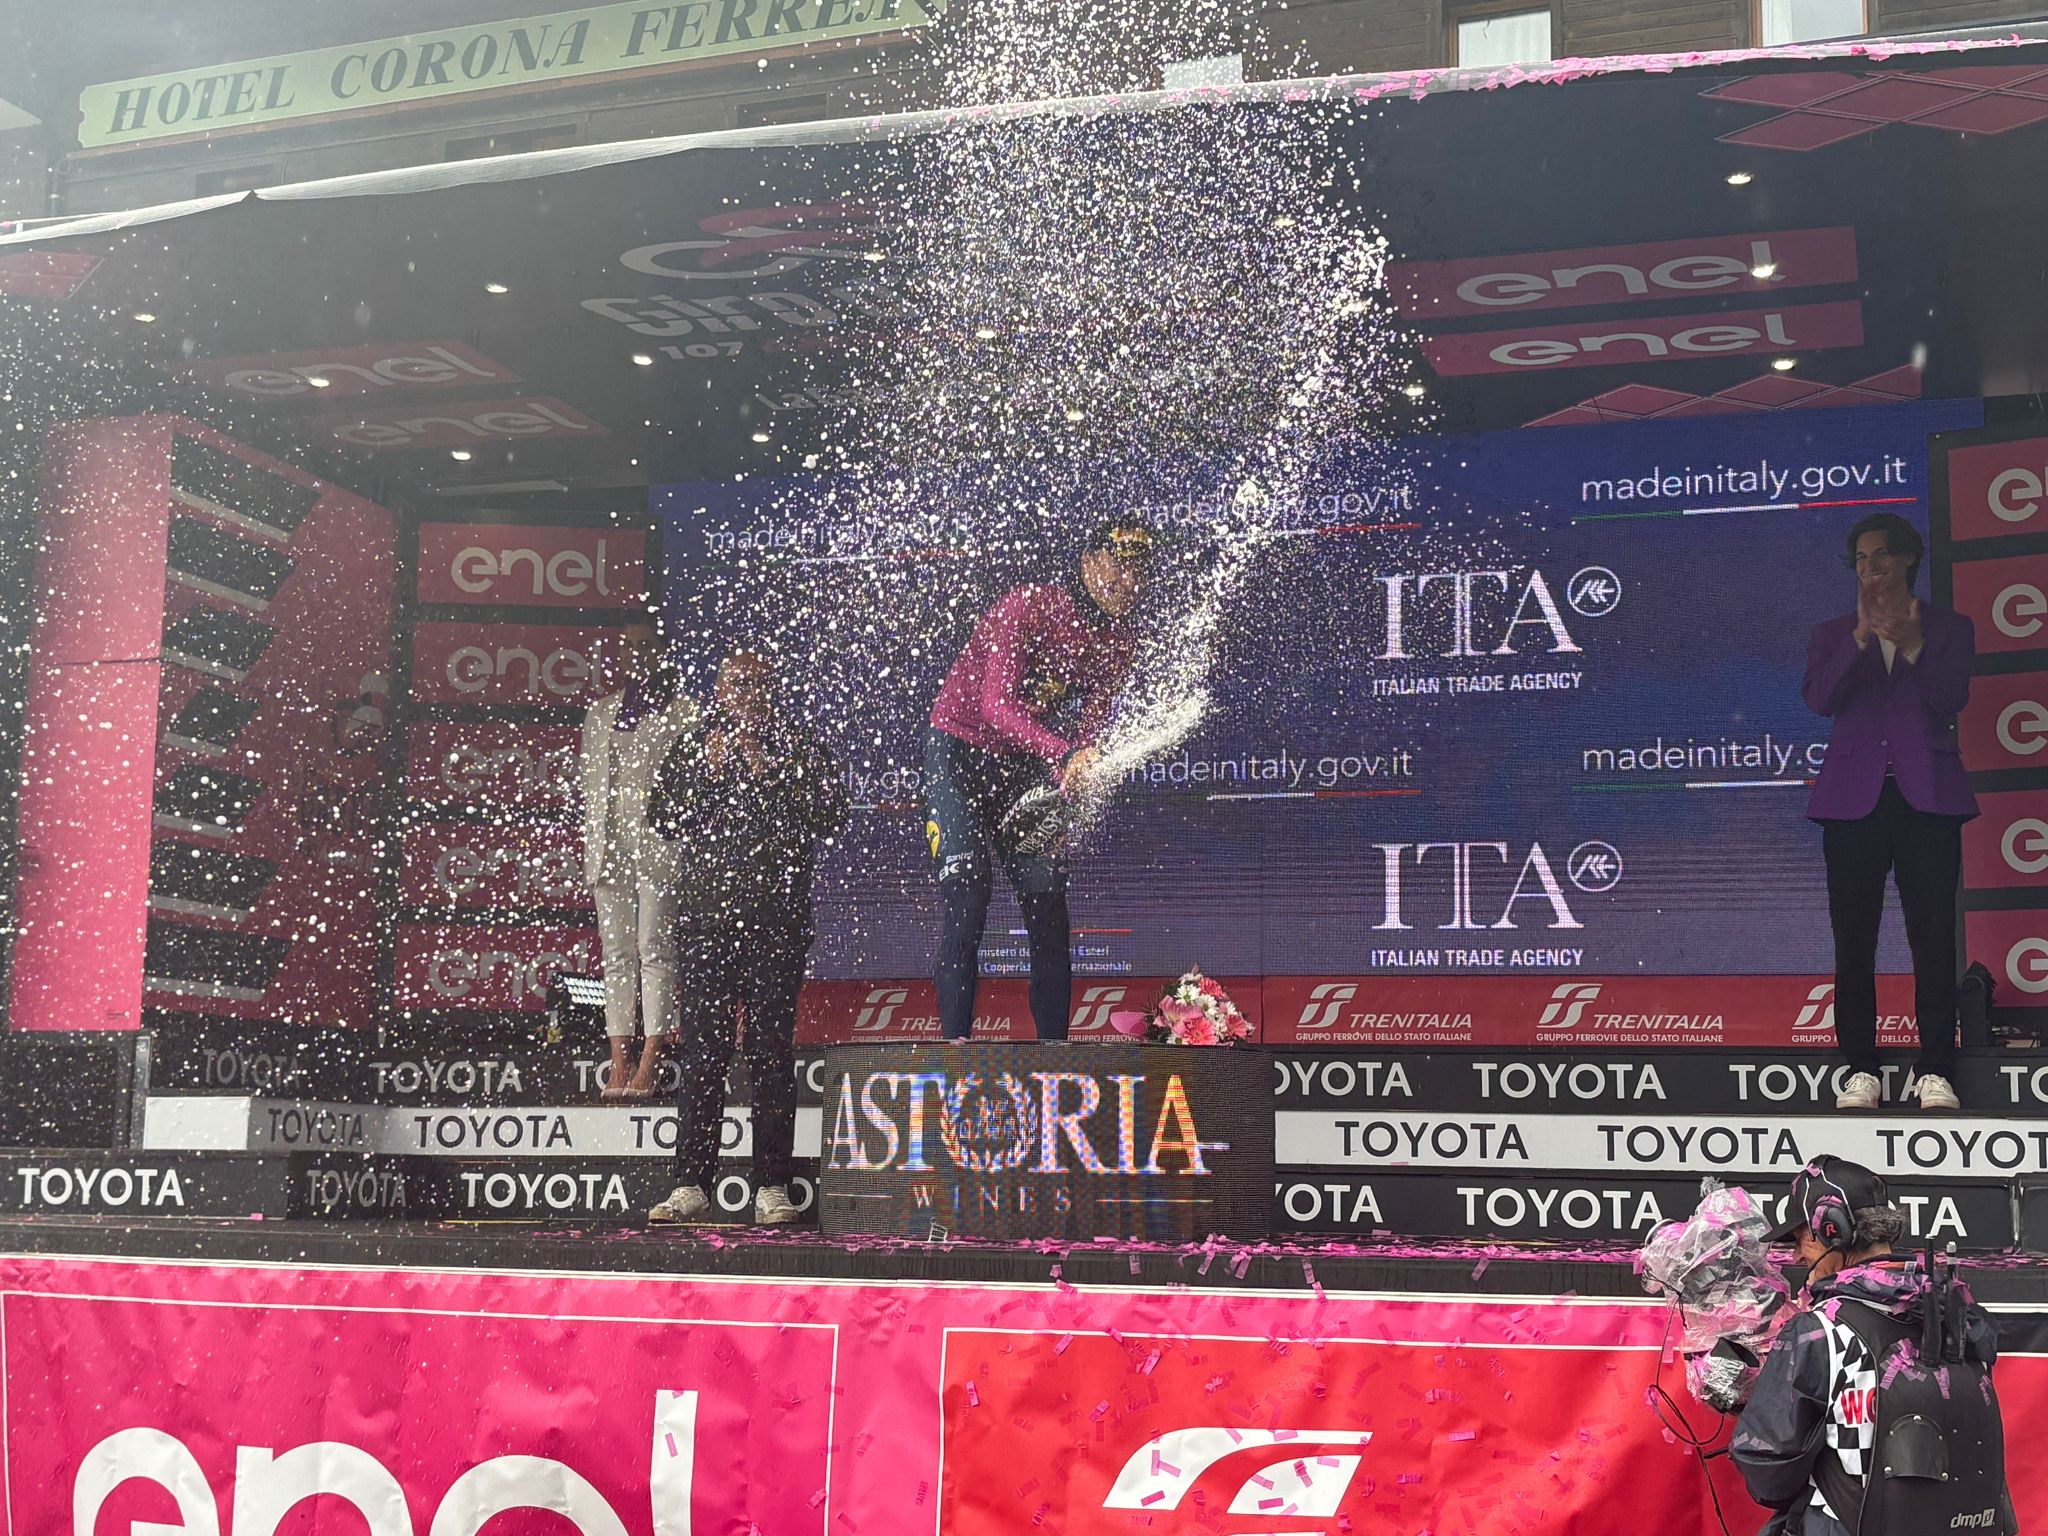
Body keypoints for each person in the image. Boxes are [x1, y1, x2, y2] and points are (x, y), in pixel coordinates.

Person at [925, 519, 1153, 1041]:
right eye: (1118, 567)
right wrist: (1063, 753)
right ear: (1088, 562)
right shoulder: (1027, 606)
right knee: (968, 894)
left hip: (1024, 763)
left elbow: (1088, 734)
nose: (1128, 583)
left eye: (1140, 573)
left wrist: (1070, 779)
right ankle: (956, 1049)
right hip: (958, 751)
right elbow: (995, 706)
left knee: (1048, 901)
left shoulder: (1120, 644)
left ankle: (1054, 1052)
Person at [645, 647, 848, 1226]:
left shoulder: (797, 746)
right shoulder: (696, 745)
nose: (749, 694)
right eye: (738, 683)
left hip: (775, 925)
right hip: (706, 925)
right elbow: (664, 817)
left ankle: (772, 1186)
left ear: (772, 690)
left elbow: (832, 816)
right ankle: (691, 1183)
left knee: (769, 1053)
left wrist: (774, 776)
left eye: (759, 683)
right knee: (704, 1053)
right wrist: (707, 774)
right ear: (720, 689)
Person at [1733, 1157, 2013, 1535]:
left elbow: (1768, 1472)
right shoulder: (1960, 1318)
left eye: (1800, 1239)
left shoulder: (1819, 1330)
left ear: (1832, 1230)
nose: (1797, 1256)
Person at [1802, 513, 1977, 1112]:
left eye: (1879, 556)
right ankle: (1860, 1070)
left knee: (1933, 938)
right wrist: (1860, 636)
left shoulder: (1949, 627)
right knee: (1854, 940)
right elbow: (1820, 699)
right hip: (1852, 803)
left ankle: (1936, 1071)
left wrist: (1911, 643)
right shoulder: (1832, 633)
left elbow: (1951, 697)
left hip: (1928, 798)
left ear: (1906, 559)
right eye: (1860, 559)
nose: (1869, 568)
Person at [580, 618, 696, 1101]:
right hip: (609, 847)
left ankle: (651, 1055)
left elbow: (688, 787)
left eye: (645, 646)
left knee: (654, 947)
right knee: (617, 954)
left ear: (662, 650)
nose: (635, 654)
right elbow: (589, 786)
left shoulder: (683, 712)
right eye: (627, 647)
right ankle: (618, 1060)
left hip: (657, 845)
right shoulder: (600, 713)